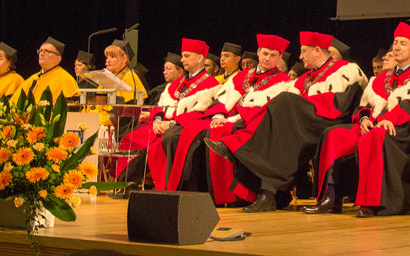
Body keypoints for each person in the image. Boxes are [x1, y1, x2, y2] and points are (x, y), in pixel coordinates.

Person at [205, 31, 367, 212]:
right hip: (302, 121)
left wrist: (299, 107)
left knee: (284, 103)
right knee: (275, 129)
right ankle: (267, 194)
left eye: (304, 51)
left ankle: (236, 146)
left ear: (317, 50)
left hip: (328, 121)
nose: (300, 57)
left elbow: (339, 107)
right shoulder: (306, 77)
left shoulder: (345, 70)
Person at [306, 22, 410, 217]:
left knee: (374, 137)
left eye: (403, 44)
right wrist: (364, 118)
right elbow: (363, 106)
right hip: (375, 125)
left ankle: (370, 203)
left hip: (404, 132)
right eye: (395, 43)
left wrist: (387, 120)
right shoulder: (380, 79)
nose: (397, 47)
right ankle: (330, 198)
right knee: (334, 134)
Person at [163, 34, 291, 200]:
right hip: (223, 119)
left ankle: (224, 195)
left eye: (273, 55)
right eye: (265, 53)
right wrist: (217, 115)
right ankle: (193, 190)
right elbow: (220, 99)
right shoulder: (242, 75)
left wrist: (228, 120)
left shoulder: (283, 82)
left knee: (215, 133)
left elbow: (263, 112)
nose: (268, 58)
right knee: (192, 130)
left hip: (246, 124)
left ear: (280, 58)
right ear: (258, 52)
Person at [142, 38, 220, 190]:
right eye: (183, 56)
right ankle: (129, 185)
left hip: (188, 125)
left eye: (186, 56)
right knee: (138, 134)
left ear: (200, 58)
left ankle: (172, 187)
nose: (182, 59)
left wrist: (172, 123)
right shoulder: (177, 83)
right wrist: (157, 120)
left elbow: (200, 113)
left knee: (170, 136)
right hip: (167, 124)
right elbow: (161, 105)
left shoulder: (210, 83)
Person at [13, 37, 79, 102]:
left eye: (47, 51)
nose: (41, 54)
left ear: (58, 58)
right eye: (40, 51)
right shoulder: (32, 79)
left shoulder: (65, 79)